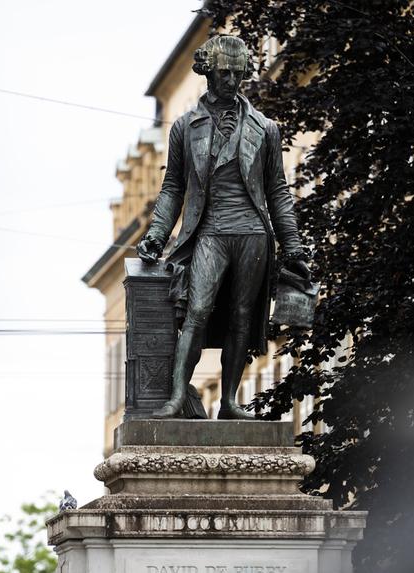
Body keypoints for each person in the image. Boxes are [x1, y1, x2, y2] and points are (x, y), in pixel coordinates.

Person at [137, 34, 309, 420]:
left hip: (253, 233)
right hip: (210, 232)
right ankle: (178, 396)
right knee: (196, 310)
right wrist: (155, 236)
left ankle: (229, 401)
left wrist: (293, 245)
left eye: (238, 74)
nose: (231, 81)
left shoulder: (265, 128)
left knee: (242, 316)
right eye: (223, 73)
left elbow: (278, 192)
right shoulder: (185, 127)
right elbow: (172, 189)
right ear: (208, 72)